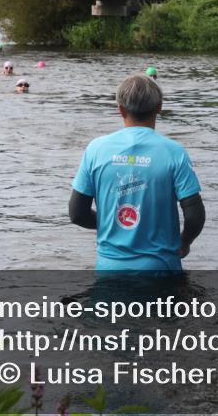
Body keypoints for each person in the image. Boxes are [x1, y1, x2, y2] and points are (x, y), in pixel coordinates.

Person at [69, 74, 205, 272]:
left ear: (120, 109)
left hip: (110, 269)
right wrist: (185, 242)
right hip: (161, 268)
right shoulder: (174, 152)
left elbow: (77, 214)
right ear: (159, 107)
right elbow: (194, 216)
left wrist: (112, 223)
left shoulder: (95, 149)